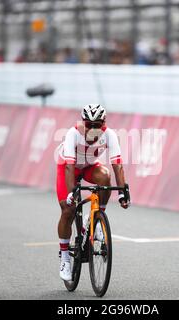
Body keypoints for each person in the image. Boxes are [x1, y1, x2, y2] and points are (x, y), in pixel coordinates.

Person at [55, 104, 130, 281]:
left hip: (89, 166)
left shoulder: (109, 135)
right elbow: (69, 167)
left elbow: (117, 164)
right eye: (90, 124)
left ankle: (97, 219)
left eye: (98, 125)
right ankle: (65, 257)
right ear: (83, 122)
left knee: (105, 177)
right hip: (68, 168)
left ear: (104, 123)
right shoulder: (73, 134)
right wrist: (72, 193)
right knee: (68, 210)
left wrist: (122, 192)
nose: (94, 128)